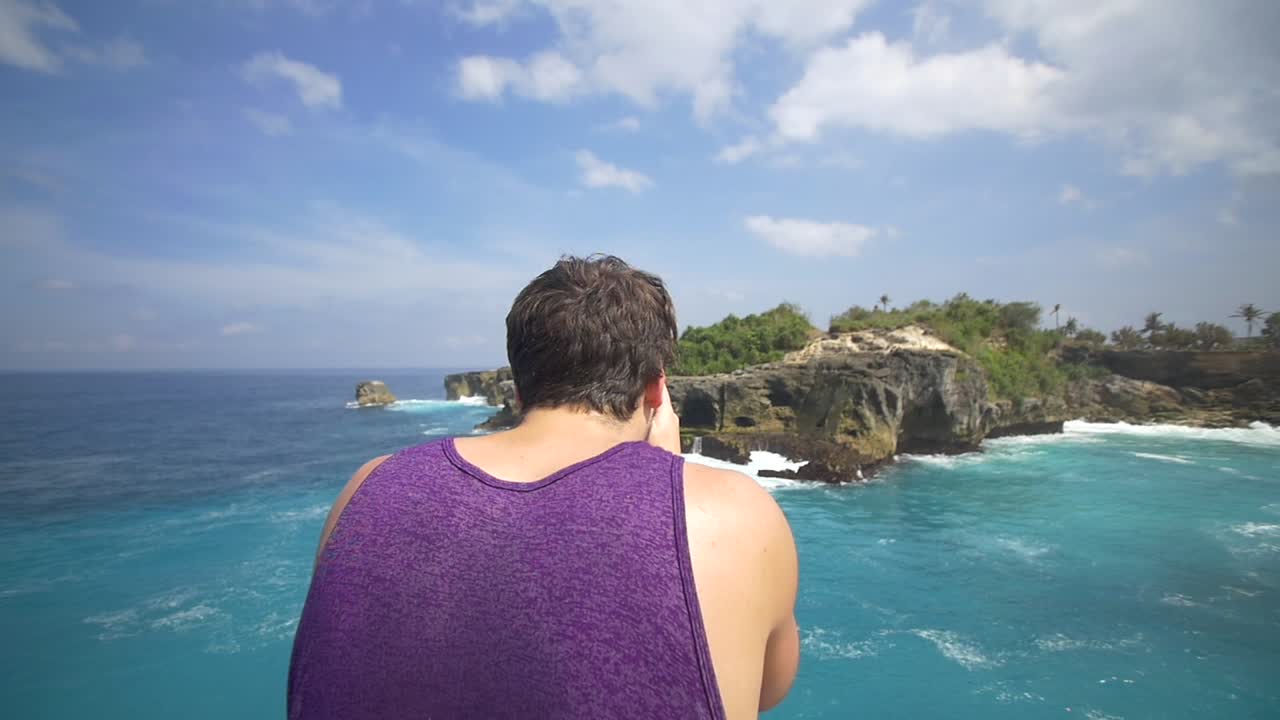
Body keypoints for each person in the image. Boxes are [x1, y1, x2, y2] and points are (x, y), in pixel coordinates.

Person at [289, 255, 799, 719]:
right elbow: (766, 687)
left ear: (519, 390)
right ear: (656, 390)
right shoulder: (733, 514)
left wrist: (650, 478)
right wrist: (660, 478)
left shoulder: (368, 485)